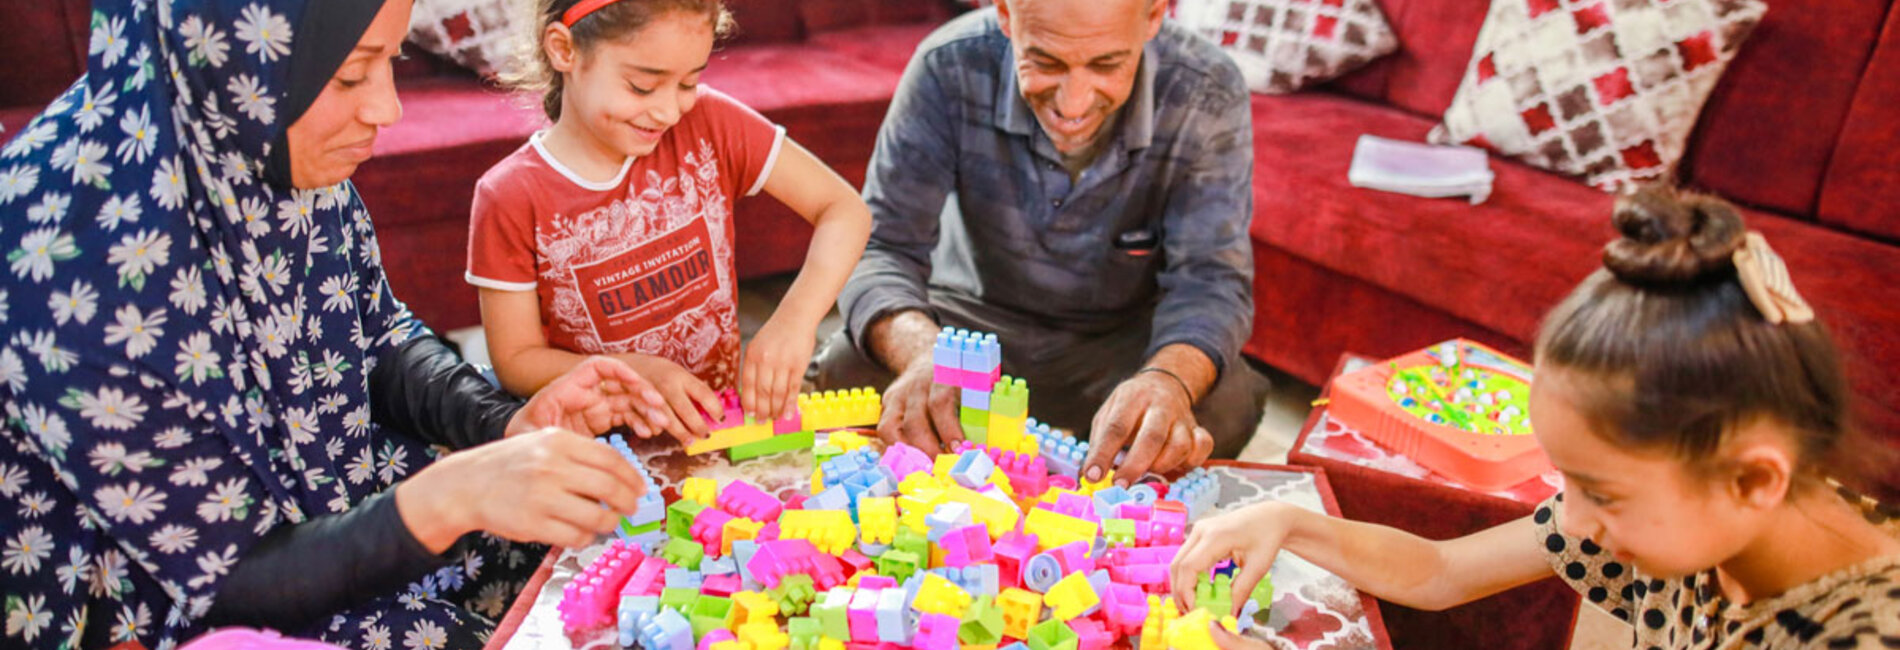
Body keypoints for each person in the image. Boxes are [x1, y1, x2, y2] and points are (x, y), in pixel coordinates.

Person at [0, 0, 678, 647]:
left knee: (602, 545)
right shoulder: (66, 266)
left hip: (332, 500)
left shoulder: (256, 139)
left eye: (392, 61)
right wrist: (448, 497)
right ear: (234, 59)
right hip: (178, 605)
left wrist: (500, 421)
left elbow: (375, 338)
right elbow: (221, 589)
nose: (386, 107)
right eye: (352, 72)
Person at [1169, 188, 1900, 649]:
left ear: (1754, 478)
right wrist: (1289, 523)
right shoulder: (1700, 526)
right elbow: (1440, 570)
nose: (1571, 521)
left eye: (1602, 494)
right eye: (1566, 481)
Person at [811, 0, 1271, 485]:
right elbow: (881, 245)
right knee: (845, 370)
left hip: (1119, 342)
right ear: (1007, 14)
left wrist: (1167, 381)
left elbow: (1210, 280)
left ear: (1155, 16)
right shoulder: (947, 64)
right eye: (1046, 63)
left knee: (1224, 403)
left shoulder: (1208, 90)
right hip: (971, 324)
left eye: (1107, 64)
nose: (1073, 106)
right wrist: (929, 355)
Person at [467, 0, 873, 442]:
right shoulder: (508, 196)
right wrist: (631, 371)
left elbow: (844, 210)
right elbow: (516, 360)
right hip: (599, 450)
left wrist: (795, 320)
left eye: (689, 82)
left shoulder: (709, 124)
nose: (667, 112)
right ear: (564, 50)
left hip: (715, 433)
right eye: (643, 87)